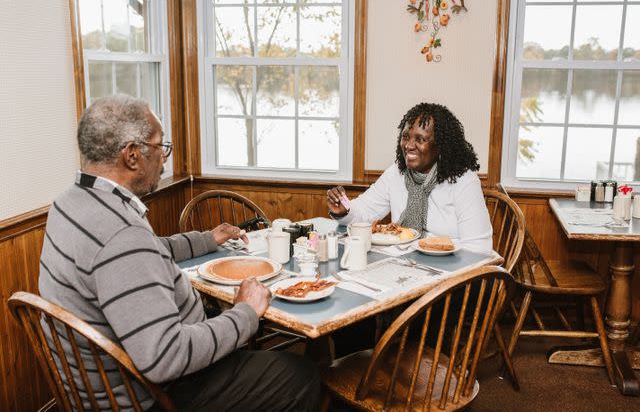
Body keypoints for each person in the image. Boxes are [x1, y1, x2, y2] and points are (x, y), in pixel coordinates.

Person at [38, 95, 320, 411]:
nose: (165, 159)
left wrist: (205, 240)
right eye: (161, 147)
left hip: (102, 383)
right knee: (300, 375)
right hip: (153, 395)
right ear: (132, 155)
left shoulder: (71, 203)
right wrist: (245, 312)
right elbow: (165, 358)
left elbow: (144, 254)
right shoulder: (121, 235)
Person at [327, 102, 492, 252]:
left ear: (441, 146)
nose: (408, 145)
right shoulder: (396, 172)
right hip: (405, 264)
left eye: (420, 139)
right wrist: (344, 210)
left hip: (455, 273)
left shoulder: (464, 180)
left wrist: (431, 248)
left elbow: (479, 248)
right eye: (405, 136)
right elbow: (364, 211)